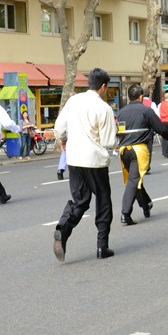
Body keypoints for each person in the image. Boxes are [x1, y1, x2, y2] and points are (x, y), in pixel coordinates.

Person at [52, 67, 118, 261]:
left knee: (80, 200)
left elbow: (59, 128)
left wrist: (64, 138)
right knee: (103, 200)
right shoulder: (104, 108)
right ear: (103, 86)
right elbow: (107, 141)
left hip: (74, 158)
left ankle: (62, 229)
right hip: (95, 160)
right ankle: (101, 245)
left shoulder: (73, 100)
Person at [116, 84, 168, 225]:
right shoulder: (146, 111)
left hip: (124, 150)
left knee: (135, 180)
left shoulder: (121, 112)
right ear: (141, 97)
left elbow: (120, 131)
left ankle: (146, 204)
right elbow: (160, 128)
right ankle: (125, 213)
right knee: (133, 181)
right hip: (138, 150)